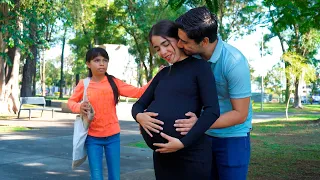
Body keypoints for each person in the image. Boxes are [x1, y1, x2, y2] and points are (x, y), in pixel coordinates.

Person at [131, 20, 220, 180]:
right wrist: (140, 117)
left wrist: (182, 143)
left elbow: (212, 110)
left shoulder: (200, 68)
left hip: (192, 153)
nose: (163, 52)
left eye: (166, 44)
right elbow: (138, 105)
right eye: (157, 48)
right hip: (162, 157)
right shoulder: (163, 74)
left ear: (178, 39)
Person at [173, 6, 253, 180]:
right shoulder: (191, 58)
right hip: (202, 136)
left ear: (204, 41)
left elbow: (240, 114)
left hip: (233, 138)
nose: (179, 45)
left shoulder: (234, 63)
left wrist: (200, 124)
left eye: (185, 42)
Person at [68, 47, 151, 180]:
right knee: (96, 176)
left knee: (115, 176)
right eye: (97, 60)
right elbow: (71, 102)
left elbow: (139, 92)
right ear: (88, 64)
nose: (102, 63)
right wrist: (79, 107)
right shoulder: (84, 84)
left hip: (113, 136)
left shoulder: (114, 82)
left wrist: (158, 76)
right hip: (92, 137)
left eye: (105, 60)